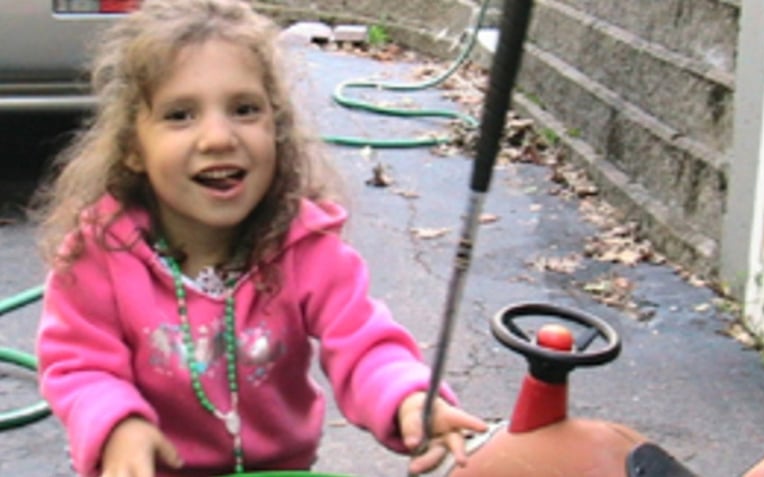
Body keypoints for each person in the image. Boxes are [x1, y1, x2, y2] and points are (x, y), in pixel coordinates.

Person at [33, 1, 487, 476]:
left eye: (245, 109)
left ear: (277, 128)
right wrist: (117, 424)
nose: (218, 137)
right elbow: (79, 365)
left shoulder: (305, 245)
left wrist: (408, 397)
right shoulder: (100, 254)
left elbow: (363, 341)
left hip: (280, 469)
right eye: (180, 115)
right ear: (132, 149)